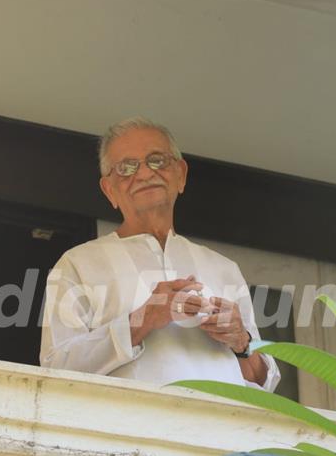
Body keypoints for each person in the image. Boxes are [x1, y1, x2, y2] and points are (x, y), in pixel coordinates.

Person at [39, 117, 280, 391]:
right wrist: (144, 319)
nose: (143, 174)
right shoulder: (78, 264)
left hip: (221, 429)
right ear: (109, 190)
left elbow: (264, 383)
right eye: (126, 168)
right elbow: (54, 370)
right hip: (130, 428)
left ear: (181, 175)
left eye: (157, 160)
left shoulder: (223, 268)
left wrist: (242, 342)